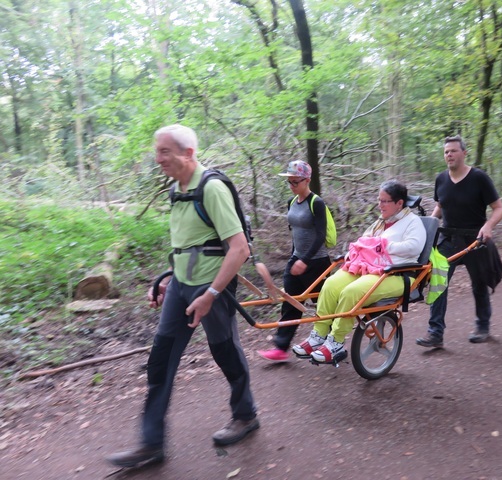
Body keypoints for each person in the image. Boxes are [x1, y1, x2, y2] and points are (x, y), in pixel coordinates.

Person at [106, 124, 259, 469]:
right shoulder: (178, 188)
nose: (158, 159)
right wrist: (169, 280)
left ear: (189, 153)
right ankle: (150, 444)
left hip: (212, 289)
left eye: (165, 151)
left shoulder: (212, 188)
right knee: (161, 358)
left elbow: (239, 249)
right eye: (157, 151)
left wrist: (211, 293)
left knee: (225, 352)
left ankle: (246, 415)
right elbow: (189, 245)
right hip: (180, 287)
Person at [292, 180, 426, 363]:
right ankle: (318, 335)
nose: (380, 205)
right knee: (330, 284)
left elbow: (414, 247)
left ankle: (336, 342)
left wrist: (381, 245)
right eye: (379, 200)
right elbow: (364, 241)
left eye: (385, 201)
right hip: (368, 267)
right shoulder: (380, 222)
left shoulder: (413, 222)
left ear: (399, 203)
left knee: (351, 292)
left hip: (397, 274)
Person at [416, 135, 502, 349]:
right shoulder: (441, 179)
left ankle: (482, 326)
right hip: (448, 238)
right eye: (446, 151)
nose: (449, 155)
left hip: (475, 239)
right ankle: (435, 332)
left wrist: (488, 226)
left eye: (454, 151)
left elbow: (499, 208)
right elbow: (440, 206)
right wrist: (427, 224)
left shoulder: (479, 178)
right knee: (438, 283)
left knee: (479, 283)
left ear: (464, 153)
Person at [257, 161, 332, 362]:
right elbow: (296, 234)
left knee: (323, 305)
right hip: (297, 258)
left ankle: (333, 341)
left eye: (295, 182)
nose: (291, 186)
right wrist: (294, 257)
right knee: (290, 302)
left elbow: (320, 235)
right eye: (289, 182)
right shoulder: (291, 202)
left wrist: (306, 260)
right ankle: (281, 348)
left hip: (316, 263)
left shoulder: (316, 202)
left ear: (307, 180)